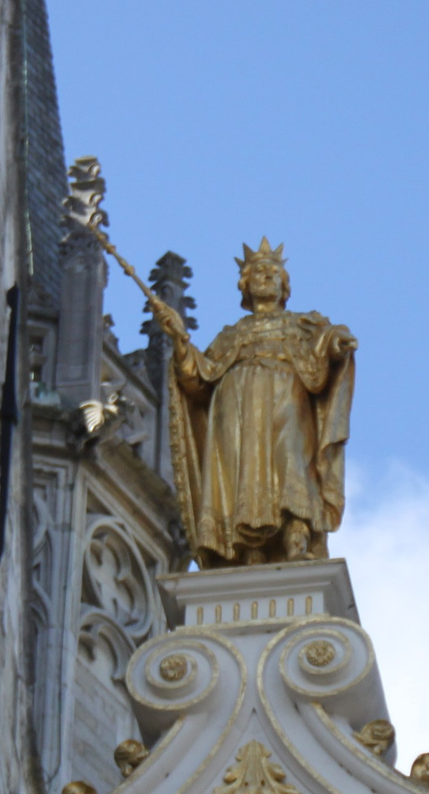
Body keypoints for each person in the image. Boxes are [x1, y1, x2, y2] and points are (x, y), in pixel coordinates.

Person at [147, 239, 357, 568]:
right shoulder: (230, 335)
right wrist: (179, 340)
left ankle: (296, 537)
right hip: (235, 405)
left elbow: (328, 340)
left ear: (285, 285)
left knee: (291, 461)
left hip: (287, 397)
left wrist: (336, 343)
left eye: (274, 272)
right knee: (238, 472)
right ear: (245, 285)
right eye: (257, 271)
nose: (266, 276)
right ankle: (248, 549)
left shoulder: (303, 324)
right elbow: (198, 379)